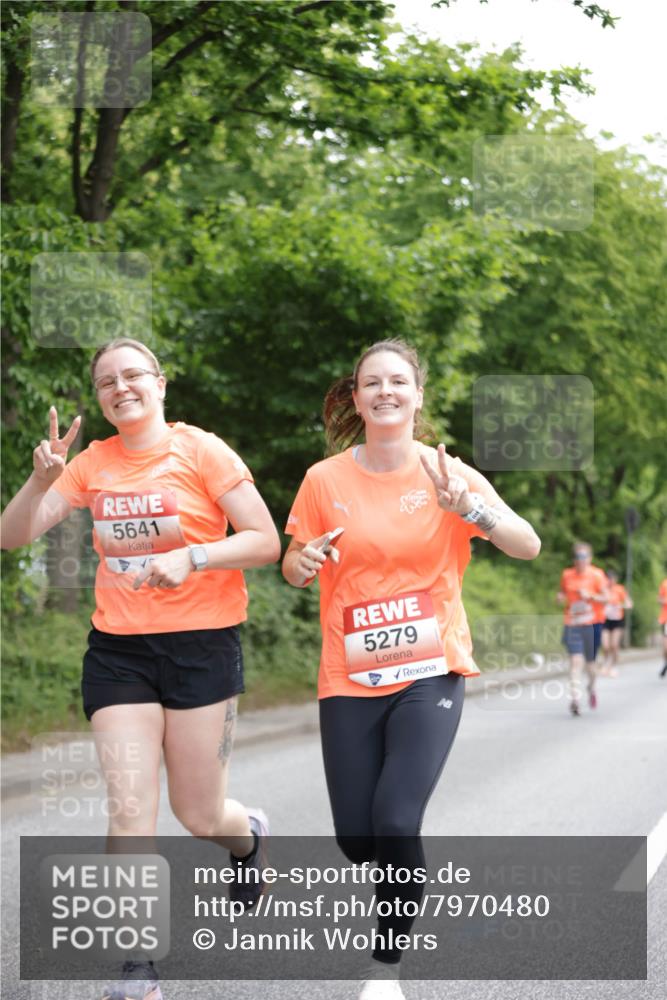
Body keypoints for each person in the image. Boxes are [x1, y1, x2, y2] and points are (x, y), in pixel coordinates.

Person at [0, 338, 280, 1000]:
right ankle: (138, 968)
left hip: (202, 648)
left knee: (199, 815)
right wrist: (40, 479)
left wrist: (195, 557)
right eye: (107, 381)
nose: (121, 387)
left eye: (133, 375)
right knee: (129, 808)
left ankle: (246, 840)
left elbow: (266, 541)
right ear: (99, 397)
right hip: (120, 652)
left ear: (160, 384)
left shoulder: (201, 450)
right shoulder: (91, 463)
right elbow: (12, 536)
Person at [281, 339, 540, 999]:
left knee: (396, 821)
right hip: (348, 674)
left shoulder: (448, 474)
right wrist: (301, 562)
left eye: (398, 381)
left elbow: (527, 544)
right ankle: (395, 874)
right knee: (358, 840)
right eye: (372, 383)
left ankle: (385, 968)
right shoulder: (323, 479)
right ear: (356, 397)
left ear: (418, 395)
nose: (385, 392)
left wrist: (468, 508)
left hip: (431, 669)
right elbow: (293, 562)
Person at [557, 542, 608, 715]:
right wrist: (560, 597)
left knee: (591, 666)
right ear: (574, 559)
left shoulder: (597, 575)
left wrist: (591, 596)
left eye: (584, 556)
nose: (581, 560)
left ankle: (591, 687)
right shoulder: (567, 575)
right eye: (578, 557)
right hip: (573, 624)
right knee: (575, 661)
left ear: (590, 558)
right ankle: (575, 699)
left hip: (592, 624)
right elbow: (562, 592)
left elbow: (607, 598)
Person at [599, 569, 632, 676]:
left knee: (614, 645)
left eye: (611, 579)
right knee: (605, 645)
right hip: (605, 619)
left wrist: (621, 605)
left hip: (617, 620)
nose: (610, 581)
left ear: (615, 579)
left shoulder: (620, 589)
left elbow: (629, 603)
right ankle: (605, 663)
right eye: (608, 579)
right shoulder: (602, 589)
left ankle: (614, 666)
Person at [658, 578, 667, 678]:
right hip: (666, 619)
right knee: (665, 647)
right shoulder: (664, 584)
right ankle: (665, 663)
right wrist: (664, 600)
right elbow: (659, 599)